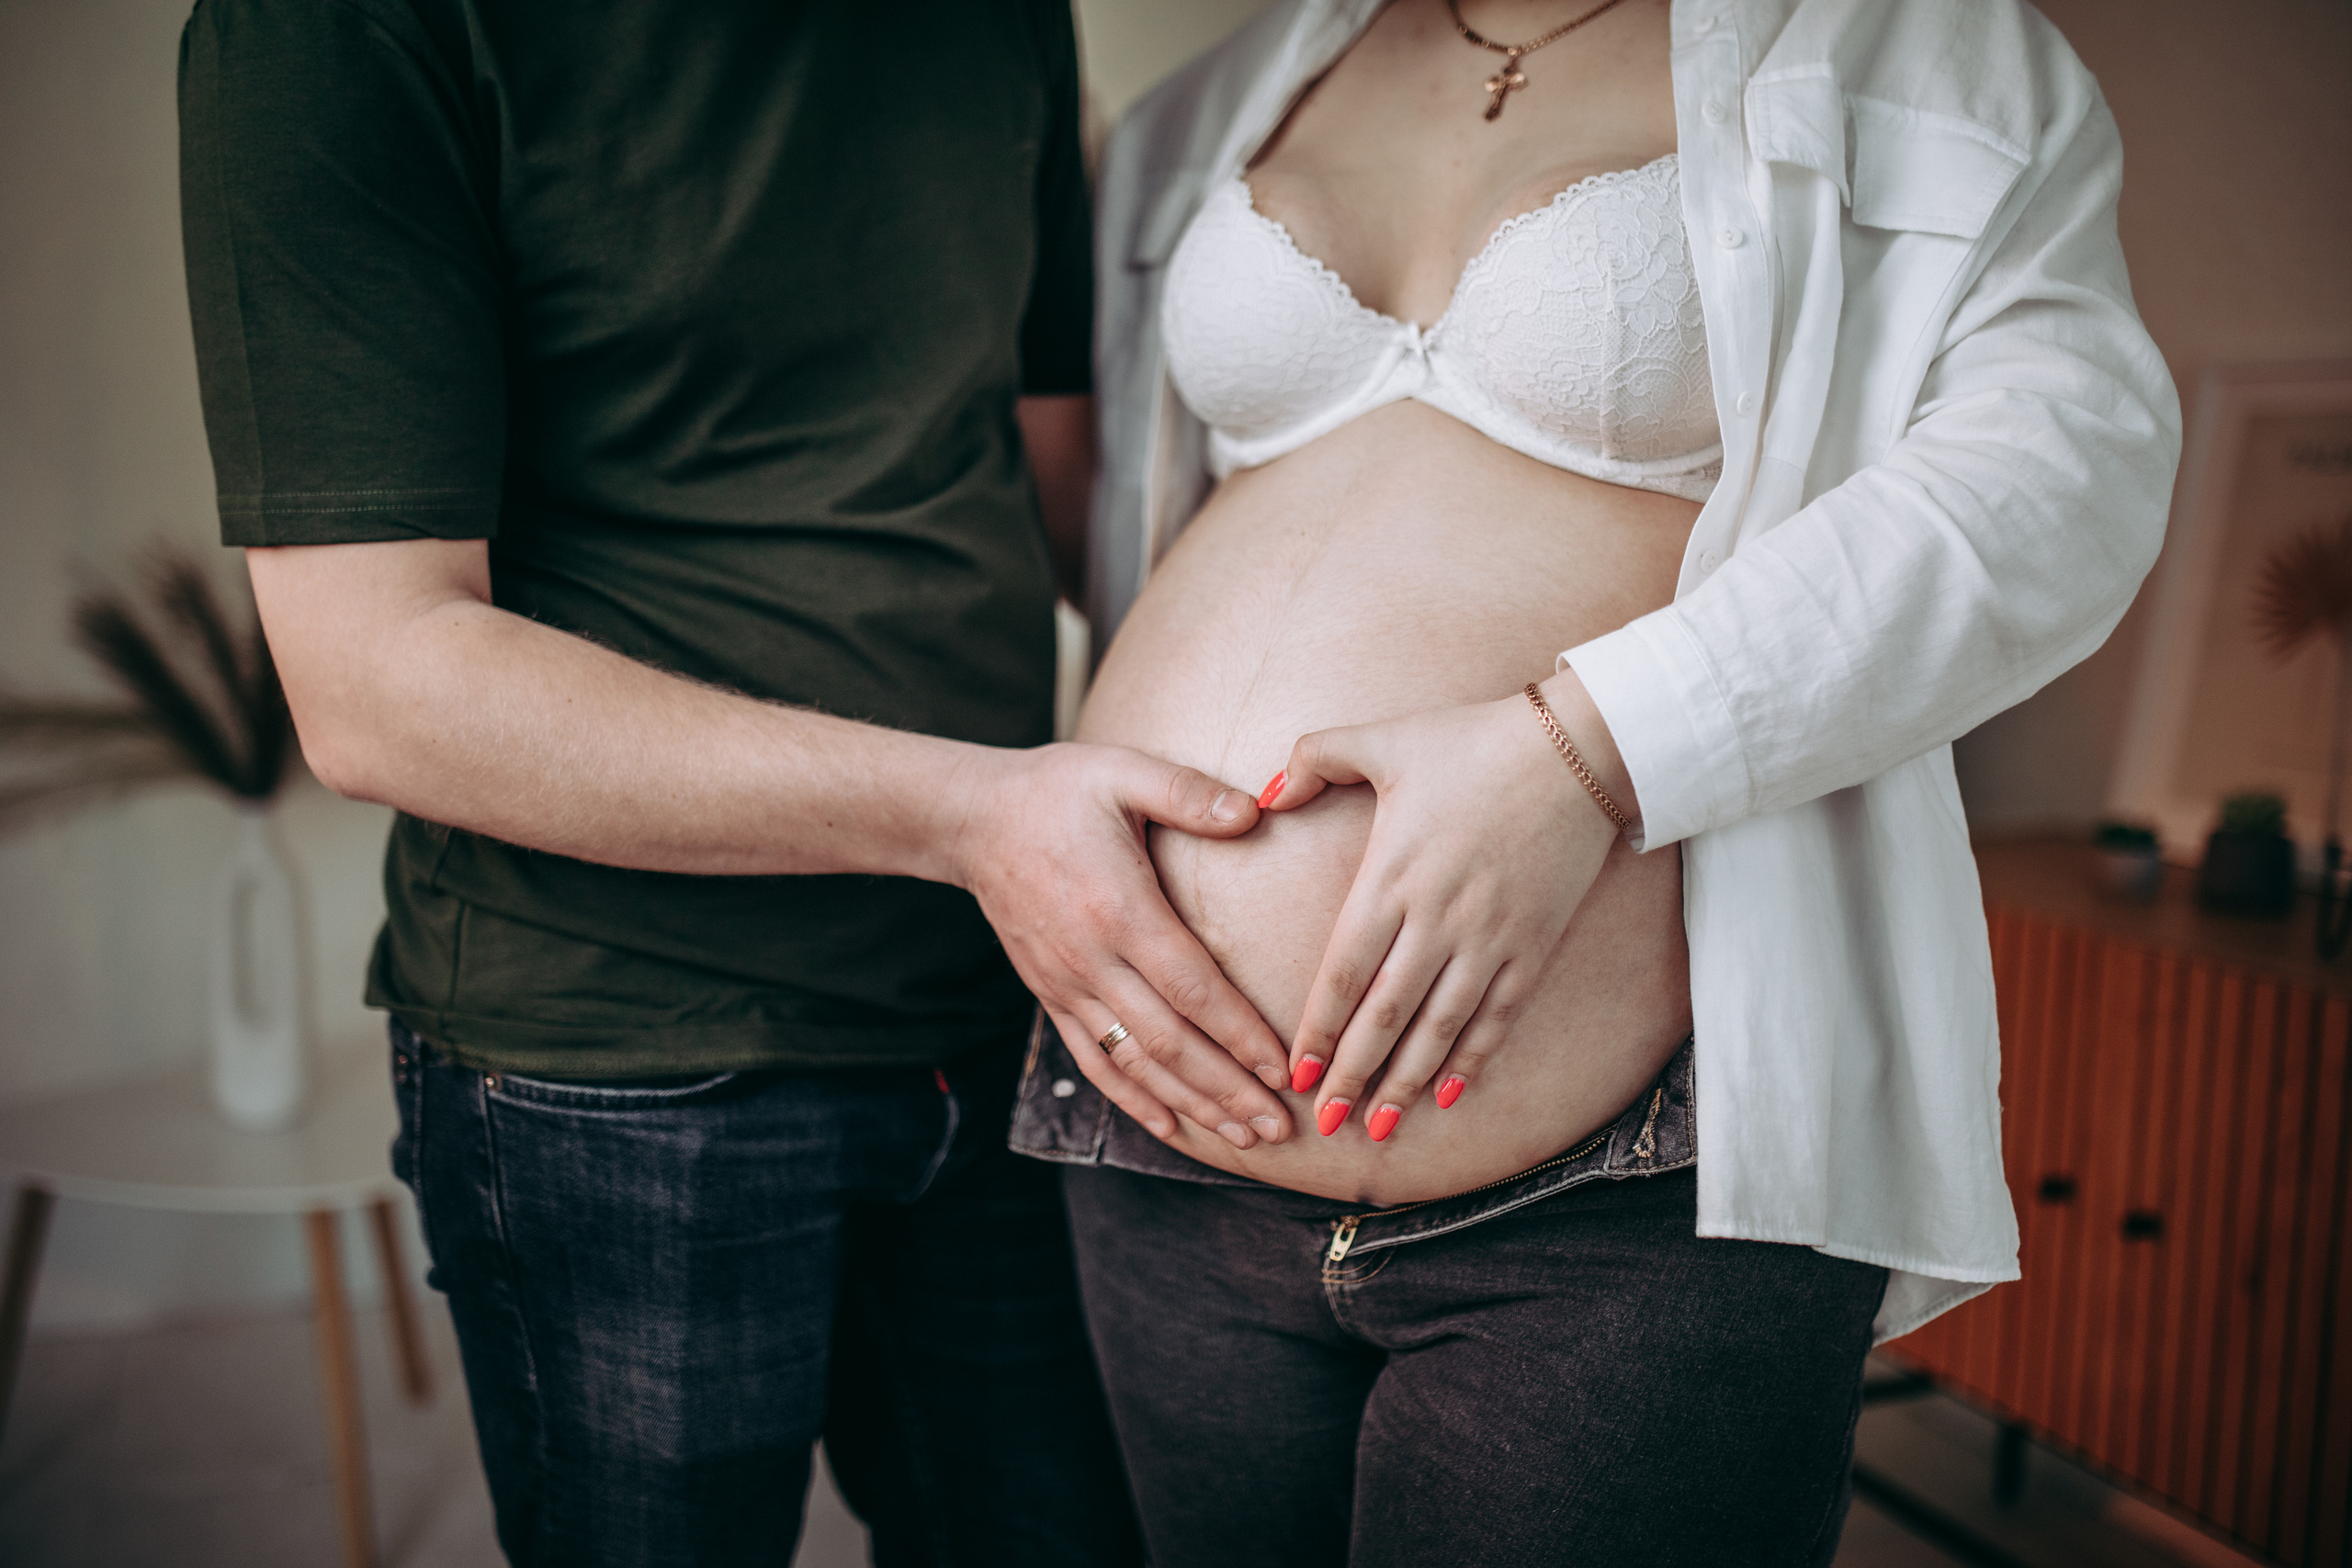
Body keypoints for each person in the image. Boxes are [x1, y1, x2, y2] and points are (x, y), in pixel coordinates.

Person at [1011, 0, 2180, 1562]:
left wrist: (1583, 753)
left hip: (1630, 1201)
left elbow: (2061, 470)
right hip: (1167, 1150)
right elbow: (1128, 502)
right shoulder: (1227, 96)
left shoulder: (1918, 49)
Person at [175, 2, 1295, 1562]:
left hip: (1019, 1000)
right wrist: (974, 816)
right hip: (616, 1055)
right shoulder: (335, 30)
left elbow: (1075, 502)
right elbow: (376, 688)